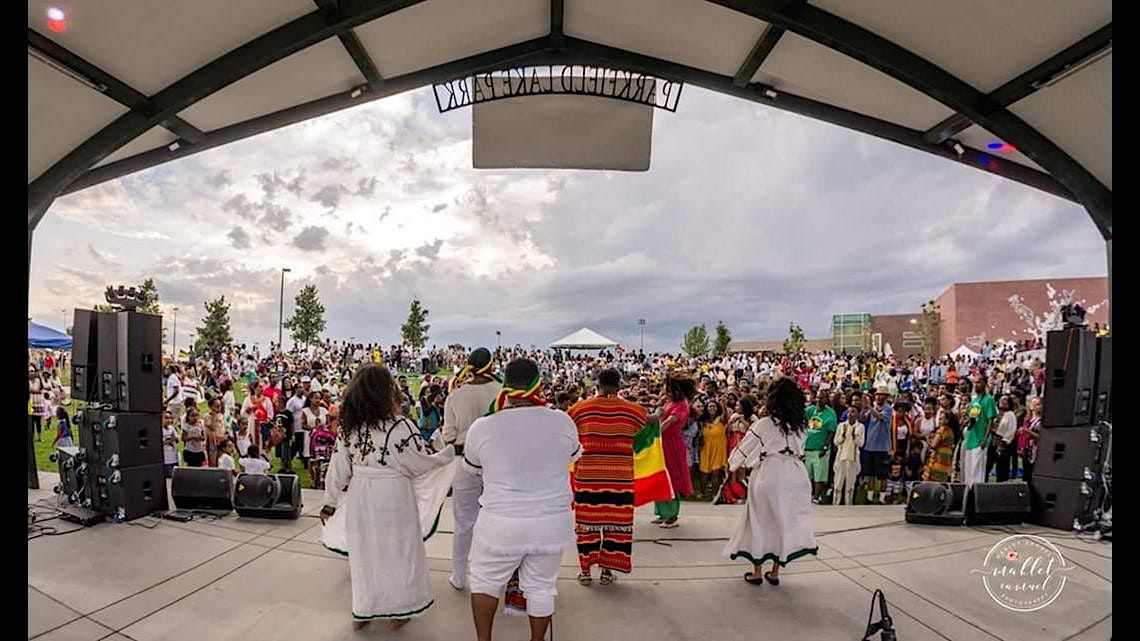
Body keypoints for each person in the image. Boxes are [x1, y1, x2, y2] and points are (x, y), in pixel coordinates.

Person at [319, 365, 456, 630]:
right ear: (386, 392)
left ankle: (365, 610)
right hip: (394, 496)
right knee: (398, 552)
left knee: (364, 553)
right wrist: (446, 456)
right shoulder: (401, 426)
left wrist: (330, 502)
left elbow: (338, 468)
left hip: (361, 495)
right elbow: (417, 463)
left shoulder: (350, 426)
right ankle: (399, 611)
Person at [465, 358, 581, 641]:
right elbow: (574, 456)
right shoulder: (562, 420)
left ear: (505, 385)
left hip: (500, 524)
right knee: (541, 587)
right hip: (552, 522)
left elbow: (473, 468)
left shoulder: (482, 426)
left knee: (484, 582)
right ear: (538, 385)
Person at [725, 377, 818, 585]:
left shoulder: (764, 424)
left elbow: (744, 448)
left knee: (760, 520)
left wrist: (733, 464)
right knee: (783, 521)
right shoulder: (801, 426)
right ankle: (775, 572)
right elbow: (800, 449)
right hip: (795, 474)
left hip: (770, 473)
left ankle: (757, 572)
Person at [568, 367, 647, 586]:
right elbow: (649, 421)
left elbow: (566, 430)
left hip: (588, 478)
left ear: (597, 385)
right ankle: (606, 570)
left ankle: (585, 571)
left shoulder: (579, 410)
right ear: (619, 385)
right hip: (619, 479)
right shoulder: (633, 410)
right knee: (616, 526)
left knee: (586, 525)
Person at [442, 347, 504, 591]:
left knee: (463, 522)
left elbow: (448, 433)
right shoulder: (500, 392)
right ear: (490, 365)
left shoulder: (455, 395)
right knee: (497, 519)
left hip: (463, 459)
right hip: (496, 462)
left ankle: (459, 576)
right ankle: (494, 575)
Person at [653, 373, 695, 528]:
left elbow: (668, 422)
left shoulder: (681, 405)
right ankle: (662, 512)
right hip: (663, 443)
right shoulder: (670, 402)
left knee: (672, 478)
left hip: (672, 445)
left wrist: (654, 432)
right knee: (661, 476)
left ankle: (672, 515)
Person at [803, 390, 837, 504]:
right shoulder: (811, 410)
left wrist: (825, 447)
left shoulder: (830, 413)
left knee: (819, 476)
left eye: (821, 398)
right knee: (807, 475)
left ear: (826, 400)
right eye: (817, 398)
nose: (818, 400)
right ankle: (808, 495)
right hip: (808, 447)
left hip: (820, 449)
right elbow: (801, 417)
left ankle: (816, 497)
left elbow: (831, 432)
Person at [963, 375, 998, 485]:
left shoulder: (989, 400)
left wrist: (985, 438)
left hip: (980, 440)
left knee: (977, 471)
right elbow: (970, 418)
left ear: (984, 384)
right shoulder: (974, 400)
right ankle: (968, 493)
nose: (976, 385)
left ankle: (976, 494)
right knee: (968, 470)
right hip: (970, 439)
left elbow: (990, 421)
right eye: (975, 382)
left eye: (979, 382)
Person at [862, 386, 893, 504]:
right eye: (877, 394)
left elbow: (880, 417)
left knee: (883, 475)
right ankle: (869, 497)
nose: (878, 397)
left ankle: (882, 498)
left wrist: (869, 407)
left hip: (882, 446)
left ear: (885, 397)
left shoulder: (888, 409)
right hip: (870, 444)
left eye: (881, 395)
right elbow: (863, 418)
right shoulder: (872, 408)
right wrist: (864, 409)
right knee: (870, 474)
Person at [832, 407, 864, 506]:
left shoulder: (860, 426)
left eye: (853, 412)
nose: (850, 414)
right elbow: (836, 442)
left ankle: (848, 504)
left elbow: (861, 443)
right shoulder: (841, 425)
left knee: (850, 485)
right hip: (841, 457)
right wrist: (843, 434)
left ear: (857, 414)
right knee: (838, 483)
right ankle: (835, 503)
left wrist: (854, 435)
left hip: (853, 458)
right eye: (849, 412)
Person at [698, 399, 728, 495]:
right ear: (706, 408)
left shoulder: (721, 420)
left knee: (716, 472)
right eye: (710, 406)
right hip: (706, 448)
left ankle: (715, 494)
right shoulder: (703, 421)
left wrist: (723, 404)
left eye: (714, 406)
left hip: (719, 448)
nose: (712, 408)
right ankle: (702, 493)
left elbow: (726, 415)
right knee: (704, 472)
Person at [923, 412, 960, 482]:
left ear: (947, 420)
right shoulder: (951, 431)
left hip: (938, 458)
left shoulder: (942, 430)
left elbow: (934, 445)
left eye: (941, 419)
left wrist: (928, 440)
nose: (939, 421)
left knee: (932, 481)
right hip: (946, 458)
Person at [992, 395, 1018, 482]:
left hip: (1003, 444)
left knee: (1002, 468)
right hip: (992, 442)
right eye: (1001, 399)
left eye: (1005, 400)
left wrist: (1003, 443)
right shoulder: (995, 413)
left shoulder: (1010, 415)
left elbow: (1011, 430)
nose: (1003, 401)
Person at [1017, 396, 1042, 484]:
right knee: (1026, 475)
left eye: (1039, 404)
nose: (1038, 406)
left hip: (1036, 452)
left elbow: (1040, 437)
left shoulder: (1042, 421)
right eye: (1036, 404)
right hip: (1026, 451)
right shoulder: (1027, 420)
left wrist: (1027, 431)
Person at [162, 411, 178, 478]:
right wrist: (169, 441)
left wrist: (173, 438)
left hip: (174, 458)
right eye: (166, 418)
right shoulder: (159, 429)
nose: (169, 420)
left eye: (170, 418)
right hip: (166, 459)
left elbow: (177, 439)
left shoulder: (172, 428)